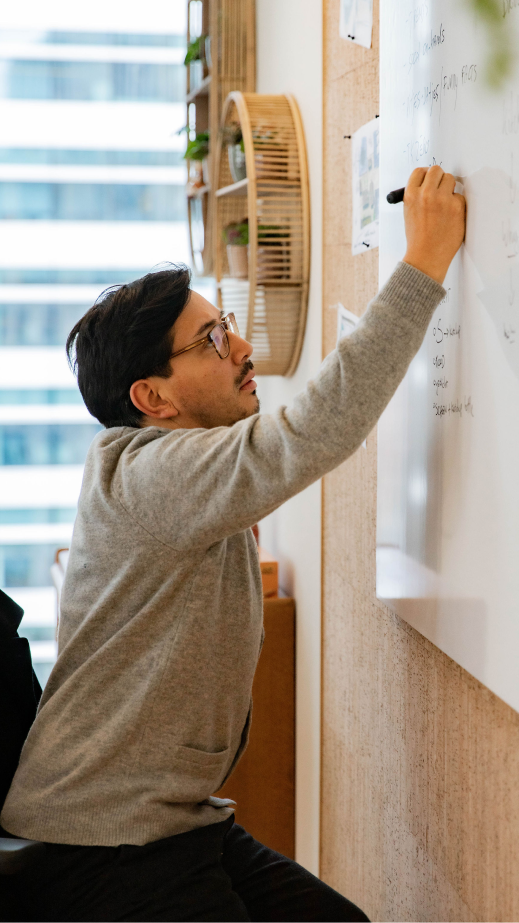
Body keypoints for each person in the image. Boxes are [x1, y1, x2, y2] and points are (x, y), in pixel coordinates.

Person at [0, 166, 465, 922]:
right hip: (103, 844)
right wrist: (423, 263)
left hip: (177, 824)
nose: (242, 346)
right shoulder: (145, 474)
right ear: (153, 398)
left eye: (227, 323)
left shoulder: (170, 476)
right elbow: (312, 431)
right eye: (213, 338)